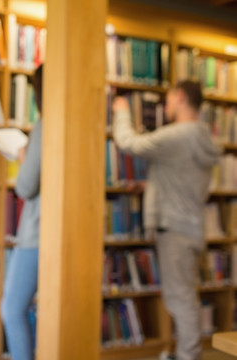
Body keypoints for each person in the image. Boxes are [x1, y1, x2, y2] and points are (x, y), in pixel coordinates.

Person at [112, 81, 221, 360]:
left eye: (169, 99)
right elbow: (182, 181)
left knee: (180, 298)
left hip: (175, 229)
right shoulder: (200, 137)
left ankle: (188, 355)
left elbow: (129, 143)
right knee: (185, 295)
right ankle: (187, 352)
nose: (165, 106)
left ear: (182, 97)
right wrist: (150, 187)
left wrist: (122, 112)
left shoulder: (179, 134)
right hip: (191, 226)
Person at [0, 64, 43, 360]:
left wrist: (24, 157)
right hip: (64, 234)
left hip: (38, 232)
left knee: (12, 309)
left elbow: (26, 186)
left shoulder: (46, 123)